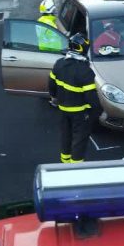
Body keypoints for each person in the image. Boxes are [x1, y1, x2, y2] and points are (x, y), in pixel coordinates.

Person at [48, 34, 100, 163]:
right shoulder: (85, 71)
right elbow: (91, 97)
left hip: (63, 110)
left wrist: (54, 98)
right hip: (80, 114)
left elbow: (51, 85)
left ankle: (65, 162)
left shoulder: (59, 64)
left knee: (66, 136)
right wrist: (97, 112)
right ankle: (76, 167)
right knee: (79, 140)